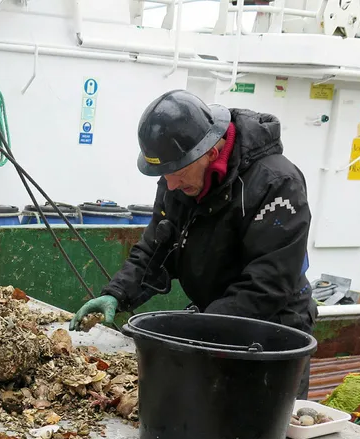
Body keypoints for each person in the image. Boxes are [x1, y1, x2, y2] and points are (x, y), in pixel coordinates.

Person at [70, 89, 317, 397]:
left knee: (261, 429)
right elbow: (156, 249)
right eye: (164, 174)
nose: (169, 184)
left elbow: (268, 283)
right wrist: (117, 294)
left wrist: (200, 330)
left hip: (273, 330)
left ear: (212, 153)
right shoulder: (180, 176)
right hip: (215, 318)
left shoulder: (277, 184)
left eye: (175, 173)